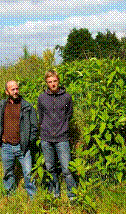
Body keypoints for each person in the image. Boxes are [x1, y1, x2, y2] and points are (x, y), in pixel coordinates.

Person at [0, 80, 37, 199]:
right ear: (7, 92)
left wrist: (29, 141)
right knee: (8, 173)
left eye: (17, 89)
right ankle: (10, 196)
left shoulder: (26, 106)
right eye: (13, 89)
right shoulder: (1, 105)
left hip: (22, 146)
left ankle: (32, 197)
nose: (16, 91)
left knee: (28, 173)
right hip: (6, 146)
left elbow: (34, 127)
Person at [38, 70, 77, 200]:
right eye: (50, 82)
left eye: (55, 81)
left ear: (58, 81)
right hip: (46, 138)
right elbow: (41, 116)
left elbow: (69, 114)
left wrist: (63, 128)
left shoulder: (67, 97)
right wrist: (44, 128)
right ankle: (55, 192)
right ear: (46, 83)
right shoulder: (41, 98)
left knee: (66, 169)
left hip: (62, 138)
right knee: (50, 167)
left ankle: (72, 195)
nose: (53, 84)